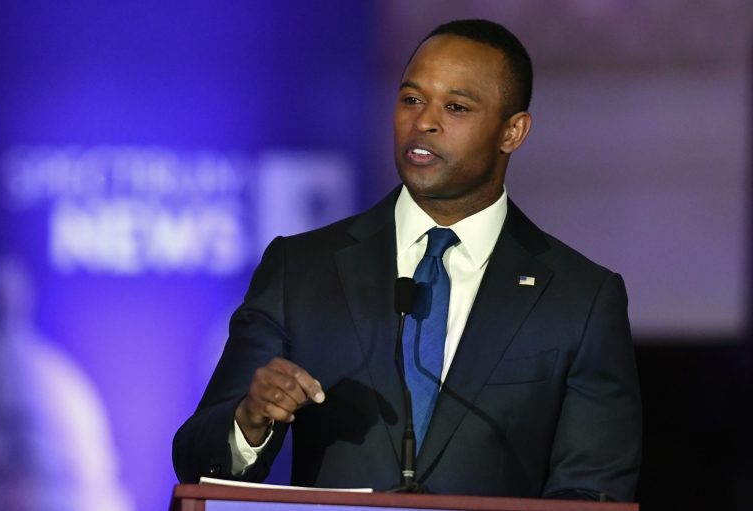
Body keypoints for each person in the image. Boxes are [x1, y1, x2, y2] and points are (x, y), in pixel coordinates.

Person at [173, 19, 642, 501]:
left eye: (456, 107)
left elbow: (594, 490)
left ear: (513, 132)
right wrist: (249, 422)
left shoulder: (579, 298)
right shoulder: (303, 269)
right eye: (411, 100)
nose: (424, 122)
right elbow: (198, 462)